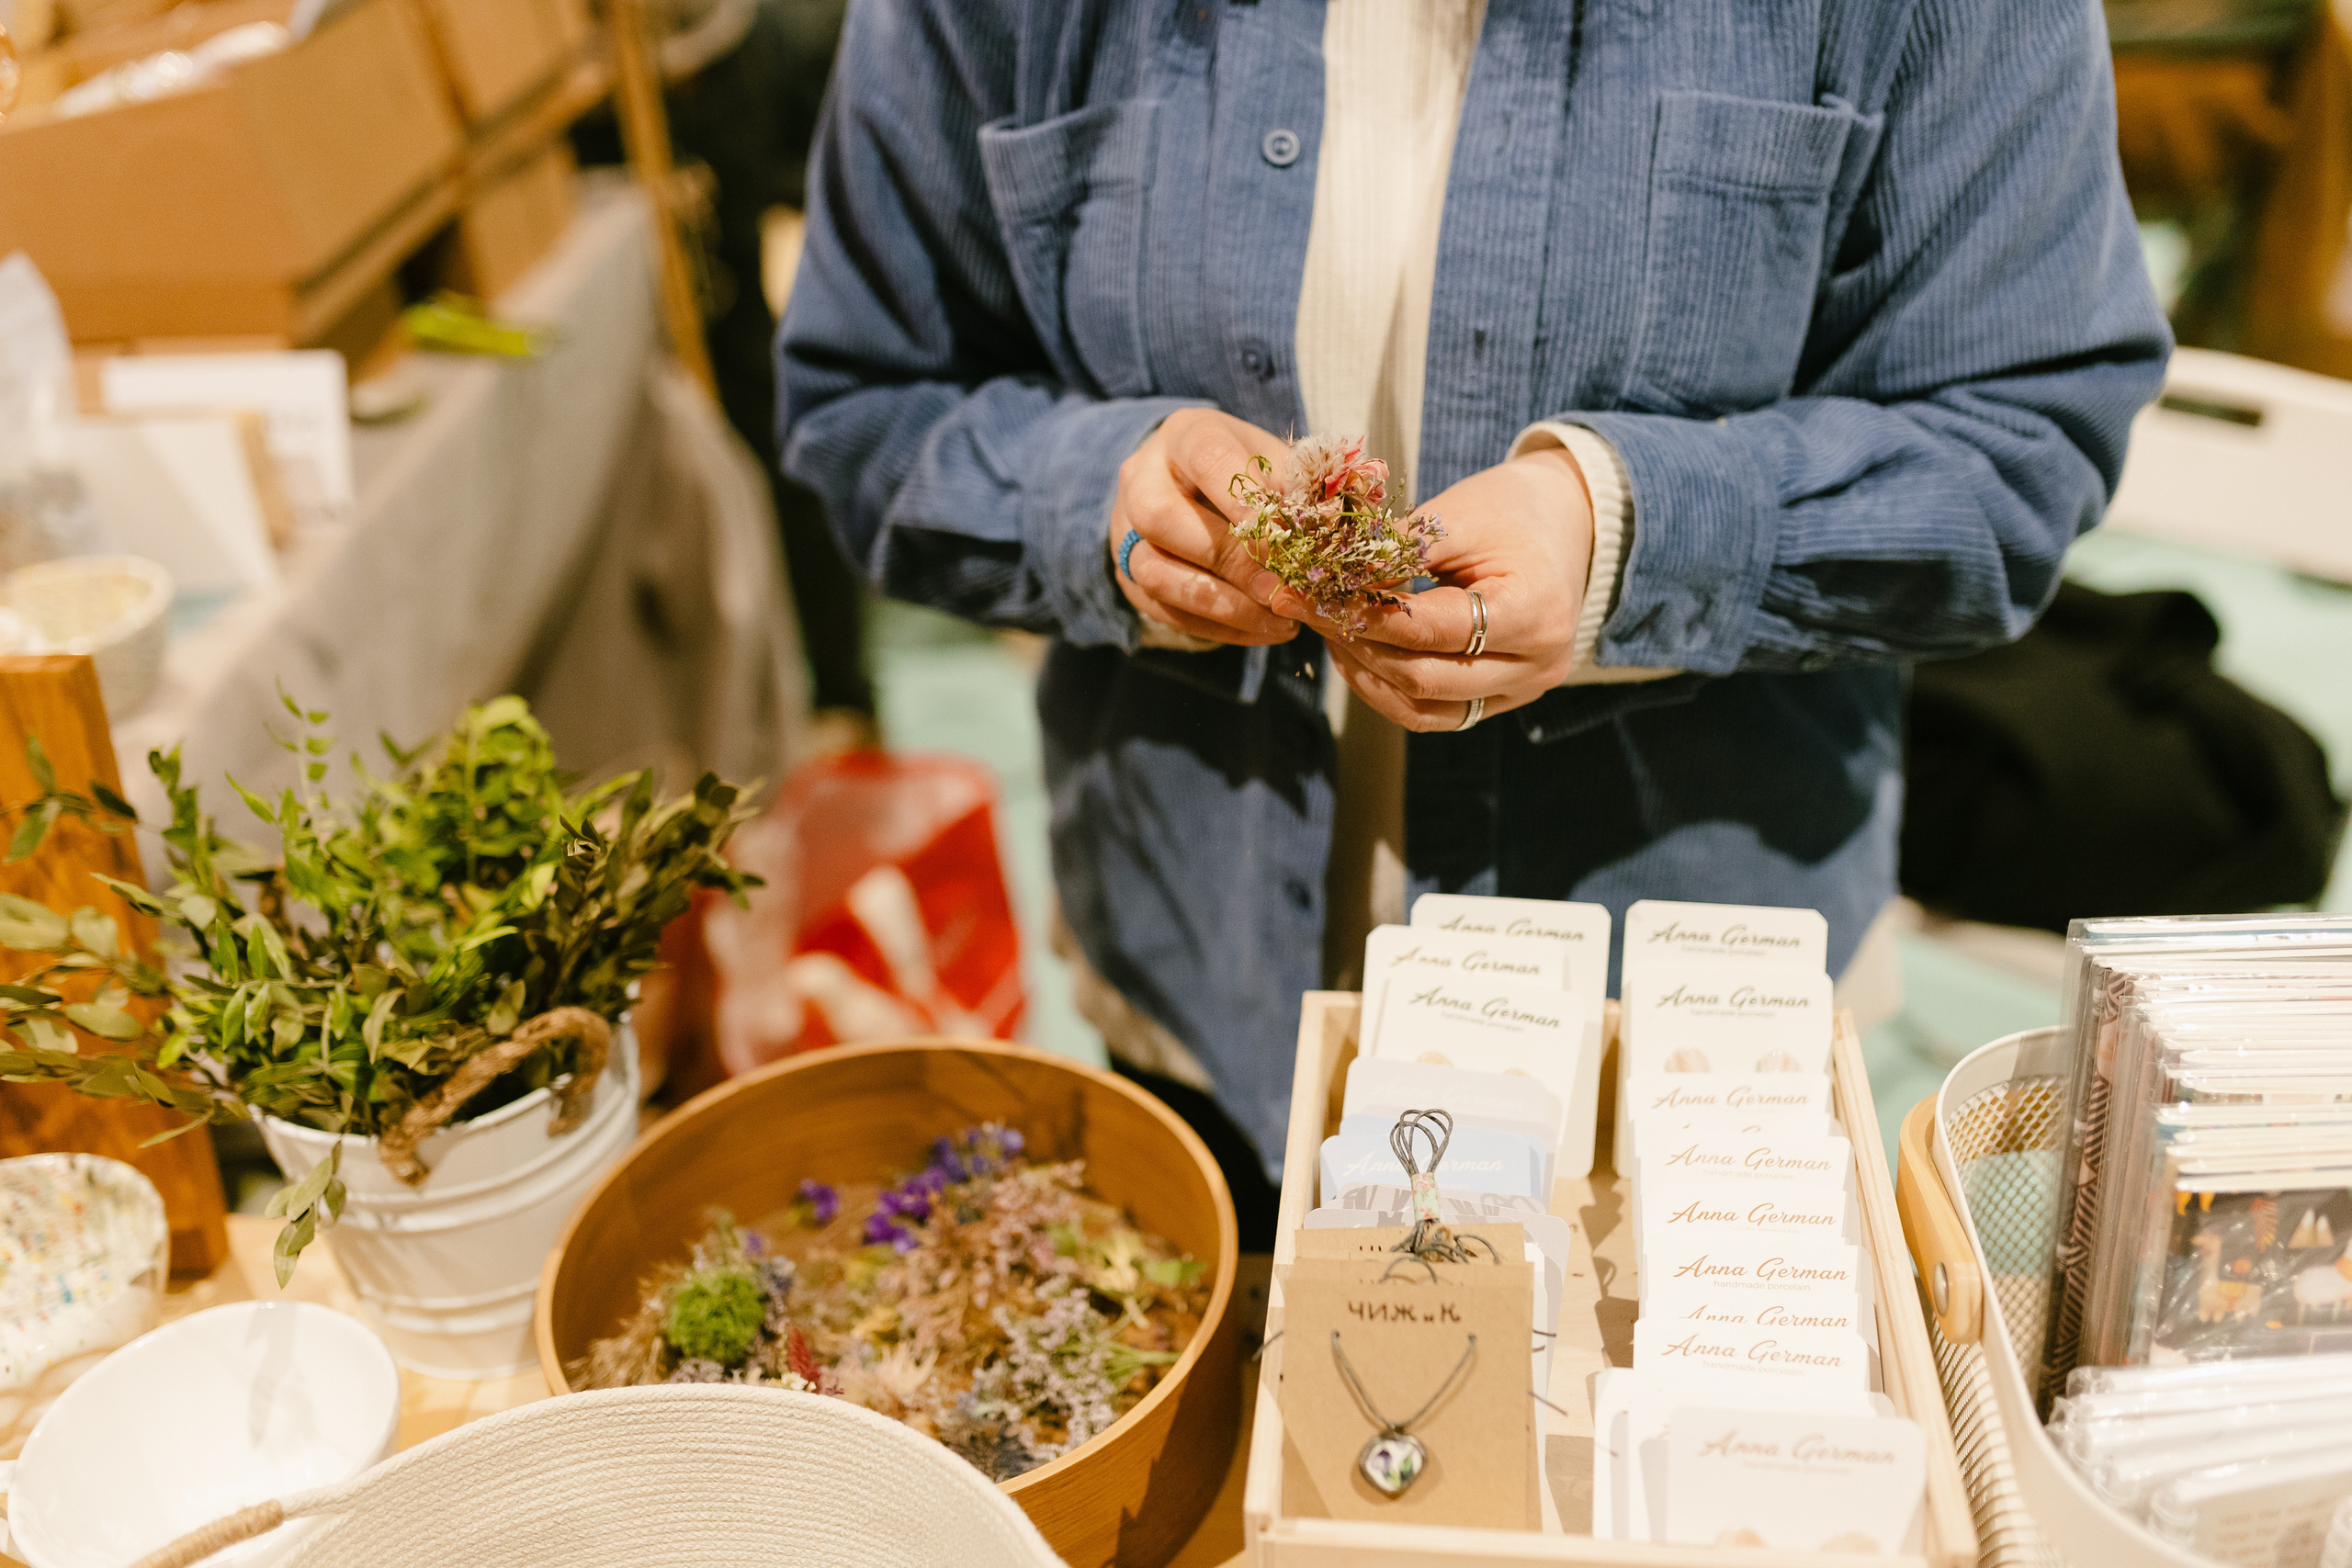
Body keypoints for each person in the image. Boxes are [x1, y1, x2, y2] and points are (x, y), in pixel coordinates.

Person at [777, 0, 2171, 1237]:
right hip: (1198, 974)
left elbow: (2020, 443)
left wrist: (1619, 528)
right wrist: (1109, 500)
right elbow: (867, 402)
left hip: (1674, 1035)